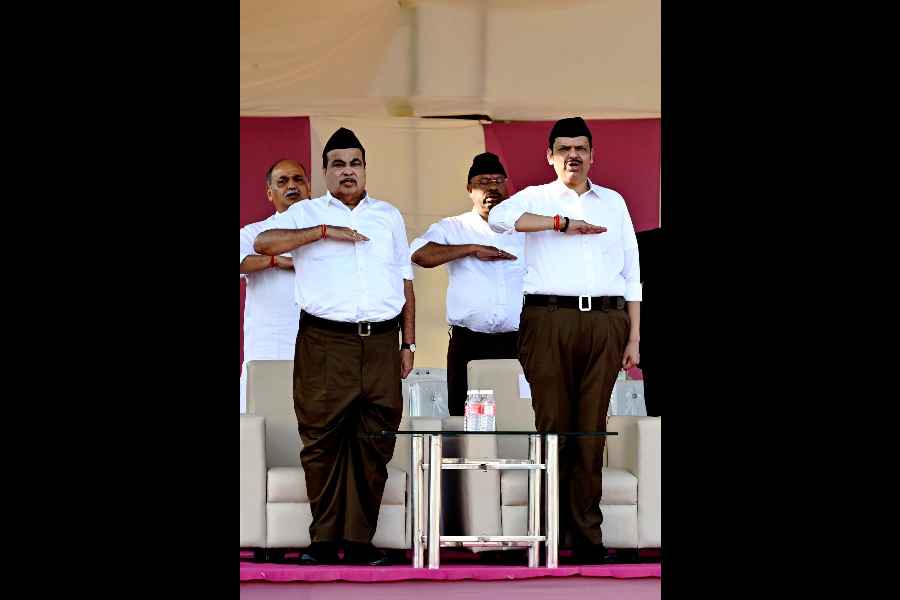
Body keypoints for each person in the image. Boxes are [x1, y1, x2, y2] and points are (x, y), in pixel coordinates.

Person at [254, 128, 415, 567]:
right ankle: (324, 542)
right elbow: (263, 244)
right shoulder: (305, 212)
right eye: (339, 164)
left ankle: (360, 542)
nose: (348, 171)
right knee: (321, 442)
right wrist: (321, 232)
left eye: (355, 163)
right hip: (324, 341)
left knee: (375, 442)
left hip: (382, 341)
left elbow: (405, 279)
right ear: (325, 171)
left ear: (365, 169)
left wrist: (410, 341)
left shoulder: (388, 216)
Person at [488, 117, 641, 564]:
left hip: (606, 321)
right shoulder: (536, 197)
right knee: (552, 426)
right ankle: (548, 535)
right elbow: (498, 218)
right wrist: (559, 222)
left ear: (593, 155)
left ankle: (588, 538)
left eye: (581, 148)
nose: (573, 155)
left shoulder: (613, 203)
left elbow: (632, 273)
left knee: (591, 431)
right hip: (549, 318)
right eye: (564, 148)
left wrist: (634, 336)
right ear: (550, 157)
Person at [410, 152, 524, 416]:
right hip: (470, 342)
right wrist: (471, 249)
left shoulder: (522, 227)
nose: (492, 188)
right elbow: (419, 255)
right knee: (465, 418)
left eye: (497, 180)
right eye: (483, 182)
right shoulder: (454, 227)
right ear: (469, 189)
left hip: (517, 343)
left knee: (518, 414)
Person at [239, 159, 310, 413]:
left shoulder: (324, 231)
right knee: (261, 425)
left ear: (309, 186)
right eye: (283, 181)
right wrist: (277, 260)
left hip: (319, 345)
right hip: (270, 345)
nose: (292, 185)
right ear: (270, 193)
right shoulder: (254, 232)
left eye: (298, 179)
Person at [635, 227, 662, 416]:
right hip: (656, 349)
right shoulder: (650, 242)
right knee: (656, 425)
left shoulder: (650, 241)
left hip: (654, 348)